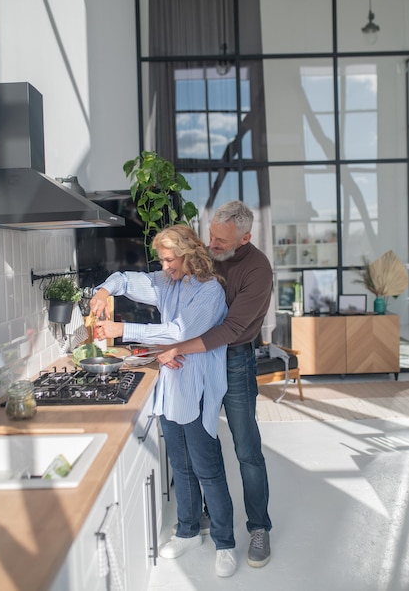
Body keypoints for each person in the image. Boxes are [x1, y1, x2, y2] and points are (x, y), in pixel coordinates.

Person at [90, 224, 237, 578]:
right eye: (162, 260)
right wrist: (102, 291)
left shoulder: (210, 291)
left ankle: (225, 542)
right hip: (170, 386)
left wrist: (121, 330)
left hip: (196, 388)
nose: (165, 266)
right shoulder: (166, 282)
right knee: (181, 466)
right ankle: (188, 531)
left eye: (170, 259)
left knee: (208, 468)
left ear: (189, 254)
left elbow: (178, 332)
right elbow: (125, 280)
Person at [156, 200, 273, 568]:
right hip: (197, 360)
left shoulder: (257, 269)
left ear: (245, 237)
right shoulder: (206, 257)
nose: (213, 244)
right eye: (211, 236)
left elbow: (231, 329)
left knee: (245, 448)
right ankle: (203, 517)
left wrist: (175, 345)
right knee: (200, 445)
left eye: (221, 240)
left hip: (234, 361)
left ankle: (259, 527)